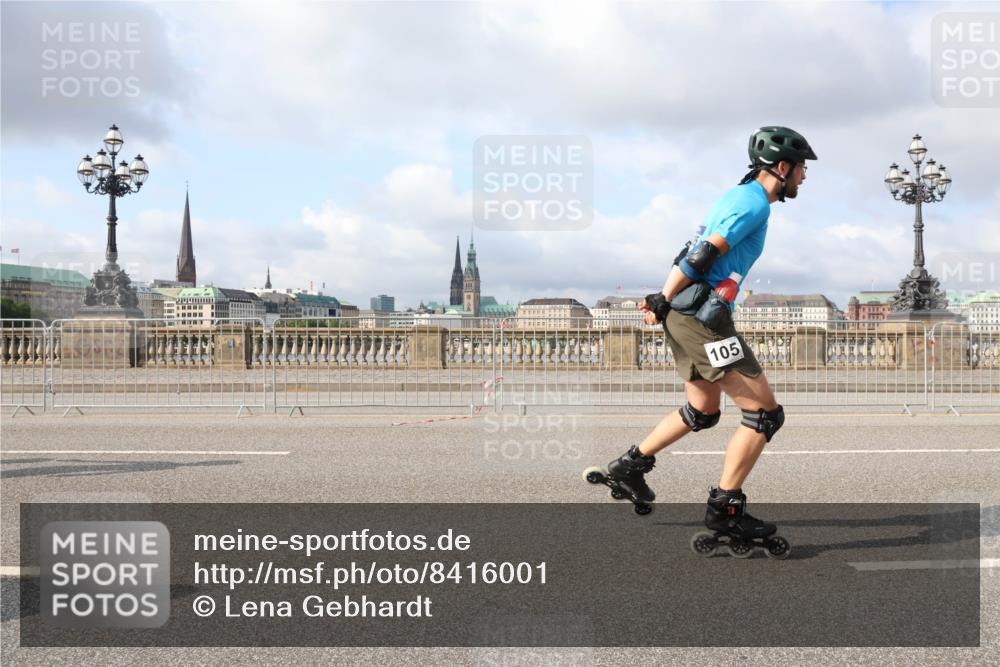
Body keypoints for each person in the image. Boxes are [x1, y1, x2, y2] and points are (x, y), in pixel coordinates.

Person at [606, 126, 817, 541]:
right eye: (802, 168)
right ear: (782, 167)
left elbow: (687, 252)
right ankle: (726, 509)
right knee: (764, 414)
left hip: (689, 315)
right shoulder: (755, 204)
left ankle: (629, 467)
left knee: (702, 410)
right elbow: (703, 255)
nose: (805, 177)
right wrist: (664, 297)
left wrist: (662, 300)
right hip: (704, 322)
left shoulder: (733, 197)